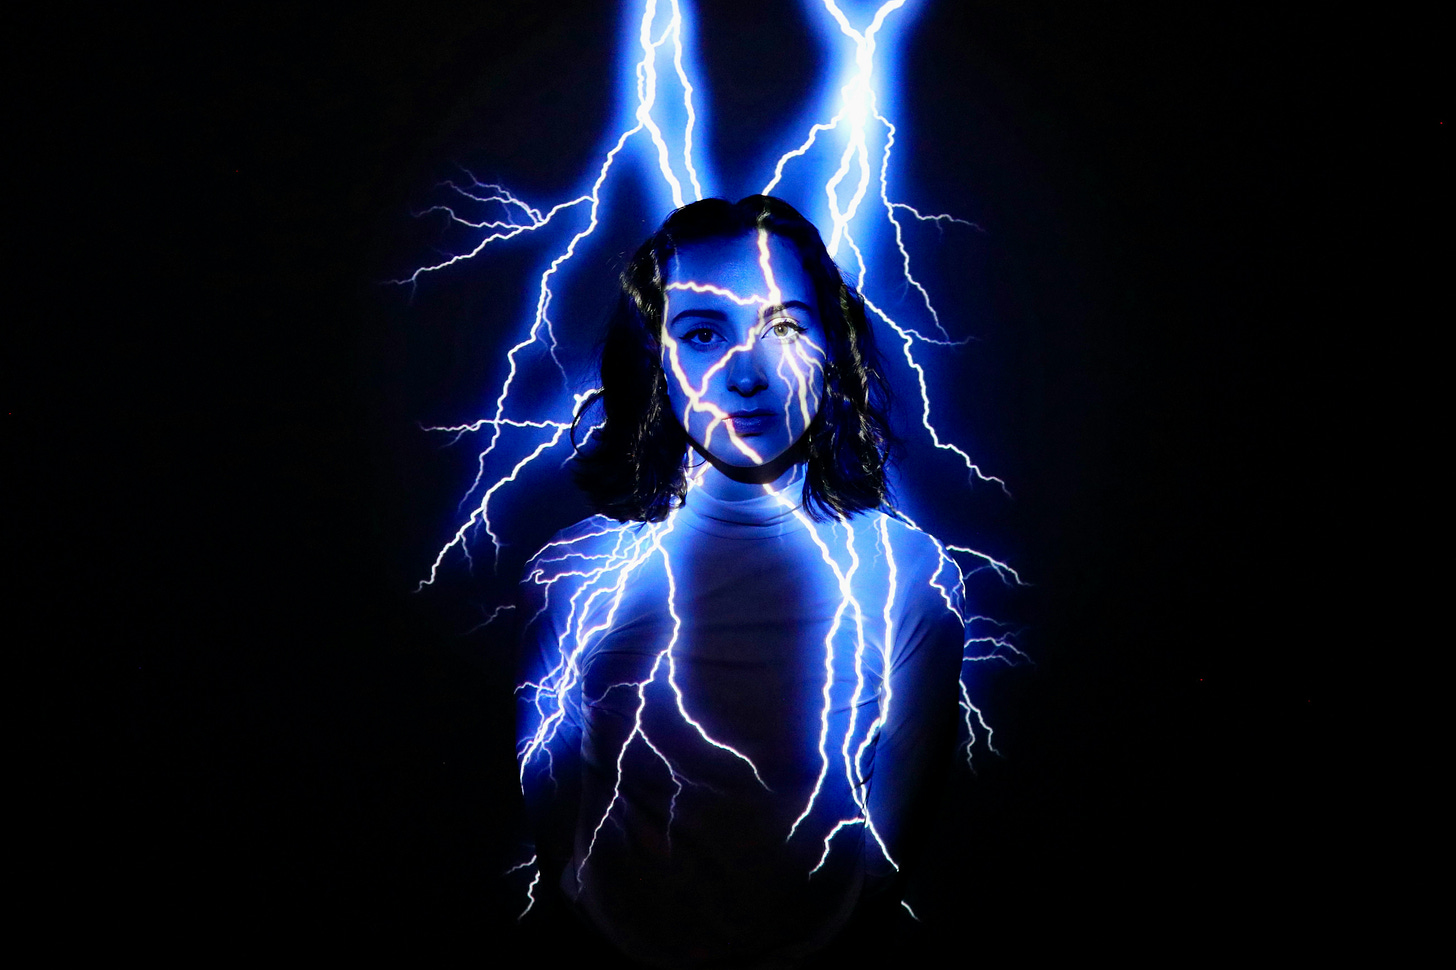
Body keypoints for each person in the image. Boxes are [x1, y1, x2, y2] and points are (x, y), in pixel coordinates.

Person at [517, 196, 965, 968]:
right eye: (701, 333)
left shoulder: (908, 576)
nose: (748, 375)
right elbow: (551, 790)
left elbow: (891, 845)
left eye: (785, 325)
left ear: (833, 343)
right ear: (654, 357)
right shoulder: (577, 571)